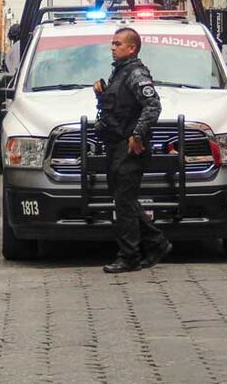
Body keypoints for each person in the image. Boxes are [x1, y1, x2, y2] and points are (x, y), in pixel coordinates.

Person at [92, 28, 171, 274]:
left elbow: (153, 105)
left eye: (117, 43)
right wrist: (102, 95)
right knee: (124, 201)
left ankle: (129, 256)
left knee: (124, 203)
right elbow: (120, 107)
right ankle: (157, 243)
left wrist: (137, 135)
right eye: (112, 43)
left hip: (129, 147)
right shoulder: (120, 73)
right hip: (116, 146)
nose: (112, 47)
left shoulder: (135, 73)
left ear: (132, 48)